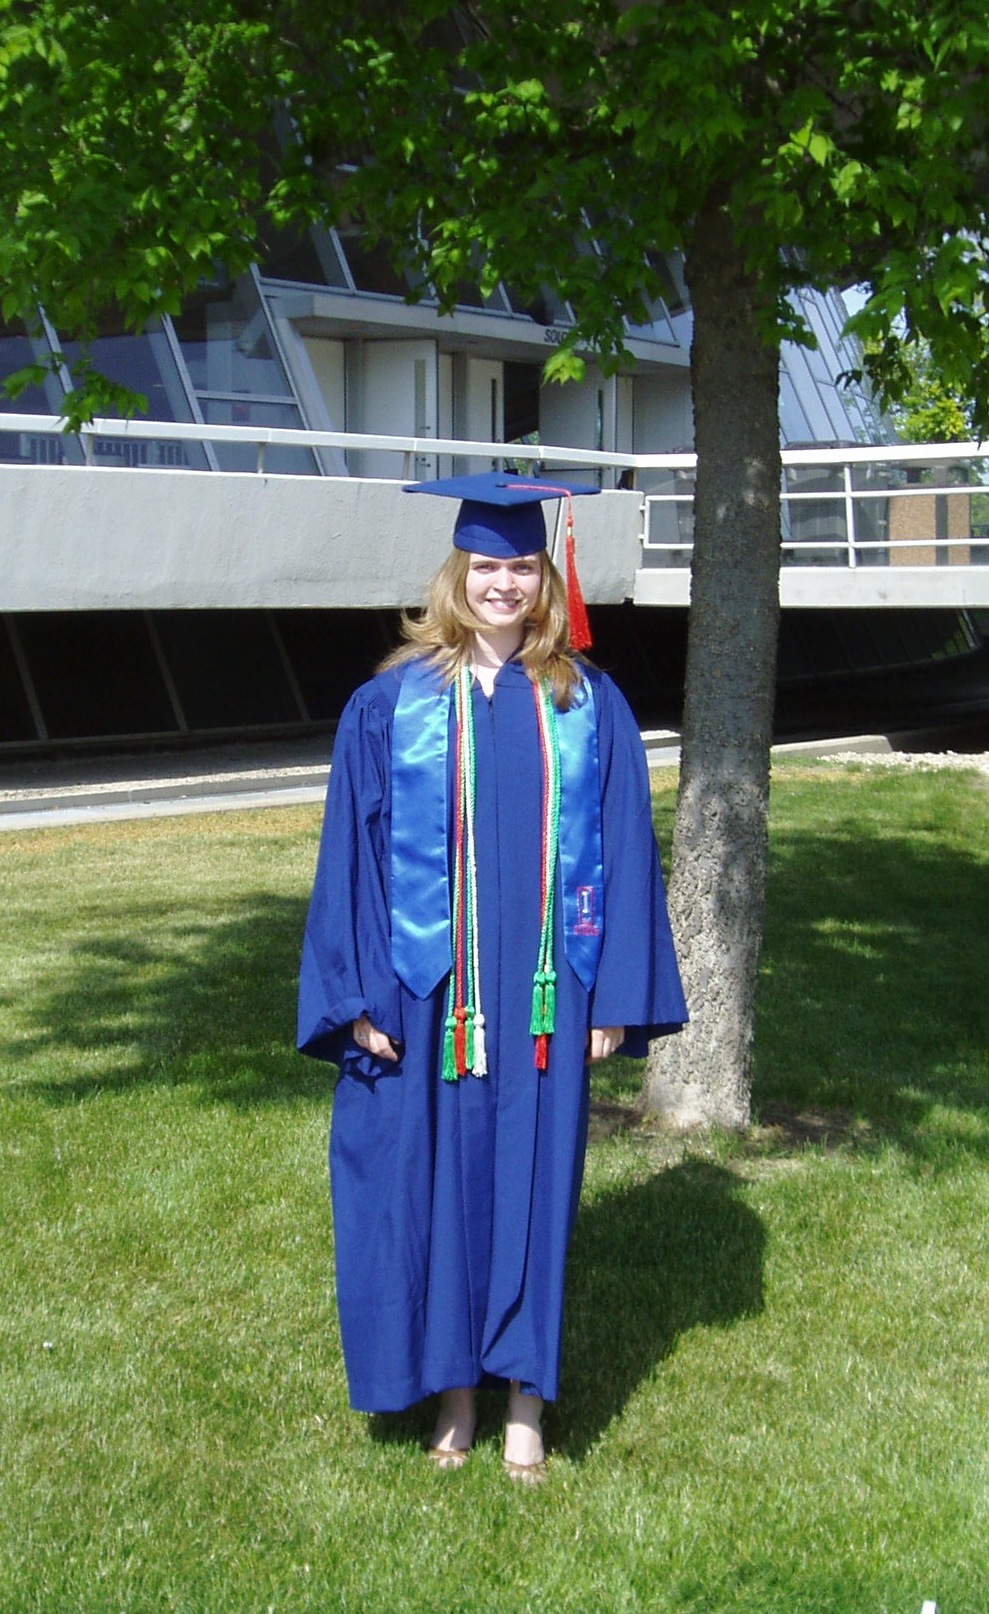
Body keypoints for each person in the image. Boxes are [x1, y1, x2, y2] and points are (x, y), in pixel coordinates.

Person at [297, 471, 686, 1482]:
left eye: (521, 567)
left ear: (544, 581)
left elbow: (628, 852)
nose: (503, 584)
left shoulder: (588, 705)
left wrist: (618, 995)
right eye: (487, 566)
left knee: (533, 1189)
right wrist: (357, 1000)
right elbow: (353, 859)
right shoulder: (389, 706)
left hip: (545, 996)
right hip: (430, 996)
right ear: (456, 573)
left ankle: (526, 1403)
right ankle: (454, 1396)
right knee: (433, 1186)